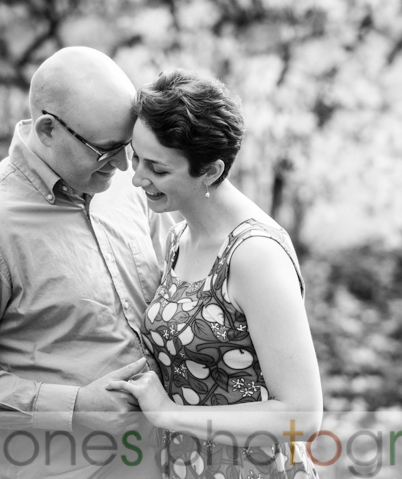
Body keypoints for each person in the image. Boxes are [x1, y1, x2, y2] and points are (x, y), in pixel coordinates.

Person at [0, 47, 175, 478]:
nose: (126, 164)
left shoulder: (128, 187)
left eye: (128, 145)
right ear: (48, 129)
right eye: (106, 149)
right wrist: (72, 408)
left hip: (162, 459)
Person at [106, 69, 323, 478]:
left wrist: (170, 415)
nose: (137, 178)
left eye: (157, 168)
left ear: (210, 171)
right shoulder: (179, 236)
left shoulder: (254, 254)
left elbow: (303, 415)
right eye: (136, 157)